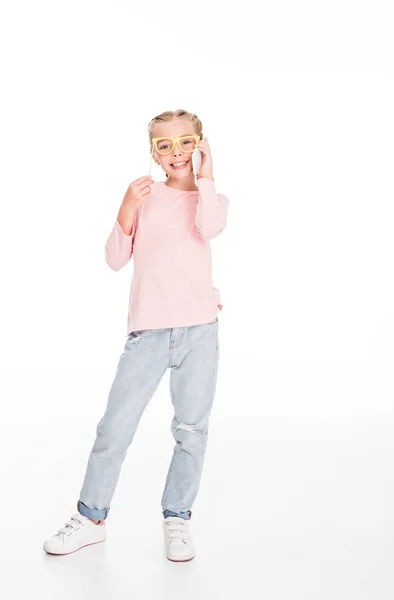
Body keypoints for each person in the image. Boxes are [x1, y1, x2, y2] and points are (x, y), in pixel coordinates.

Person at [43, 109, 229, 561]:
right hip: (147, 334)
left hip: (199, 333)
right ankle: (91, 518)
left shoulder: (213, 198)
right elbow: (114, 259)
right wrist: (126, 209)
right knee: (115, 427)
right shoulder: (145, 197)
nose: (176, 152)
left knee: (190, 429)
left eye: (186, 142)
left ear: (200, 145)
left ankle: (177, 518)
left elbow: (210, 227)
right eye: (165, 145)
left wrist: (208, 175)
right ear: (153, 153)